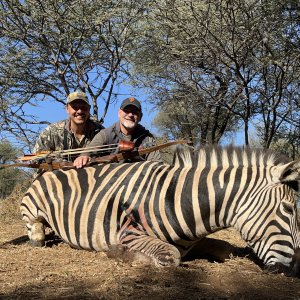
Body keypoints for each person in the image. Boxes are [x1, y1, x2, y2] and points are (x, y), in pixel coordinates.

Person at [73, 97, 161, 168]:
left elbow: (157, 165)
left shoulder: (148, 139)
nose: (130, 115)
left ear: (140, 116)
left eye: (134, 112)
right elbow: (89, 151)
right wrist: (83, 157)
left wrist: (136, 156)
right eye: (126, 111)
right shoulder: (106, 134)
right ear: (119, 113)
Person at [34, 90, 104, 161]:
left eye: (83, 107)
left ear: (89, 109)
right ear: (67, 109)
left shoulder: (101, 132)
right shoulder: (51, 132)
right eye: (75, 107)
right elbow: (37, 158)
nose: (80, 111)